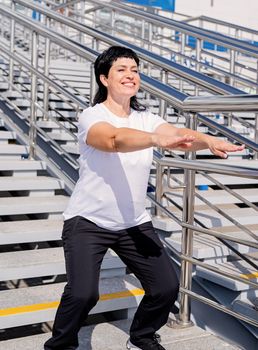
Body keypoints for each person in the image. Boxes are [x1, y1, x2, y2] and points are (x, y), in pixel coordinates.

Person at [44, 46, 244, 350]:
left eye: (135, 70)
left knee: (166, 287)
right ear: (104, 78)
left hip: (133, 222)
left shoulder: (146, 118)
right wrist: (155, 139)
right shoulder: (91, 116)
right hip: (87, 221)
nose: (130, 75)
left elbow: (176, 134)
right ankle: (60, 345)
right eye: (121, 69)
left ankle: (141, 337)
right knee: (83, 293)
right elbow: (112, 140)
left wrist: (207, 140)